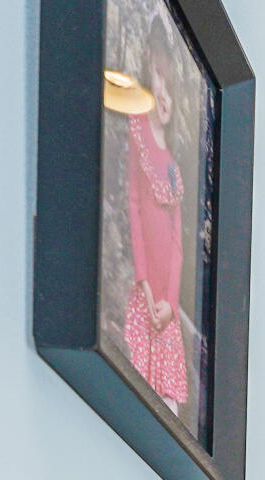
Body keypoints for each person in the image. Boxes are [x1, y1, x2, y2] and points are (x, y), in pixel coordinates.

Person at [117, 57, 194, 415]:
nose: (163, 95)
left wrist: (170, 301)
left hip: (166, 307)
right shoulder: (139, 135)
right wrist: (144, 281)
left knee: (168, 404)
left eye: (168, 87)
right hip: (147, 296)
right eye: (157, 81)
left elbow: (178, 243)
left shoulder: (174, 166)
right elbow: (134, 205)